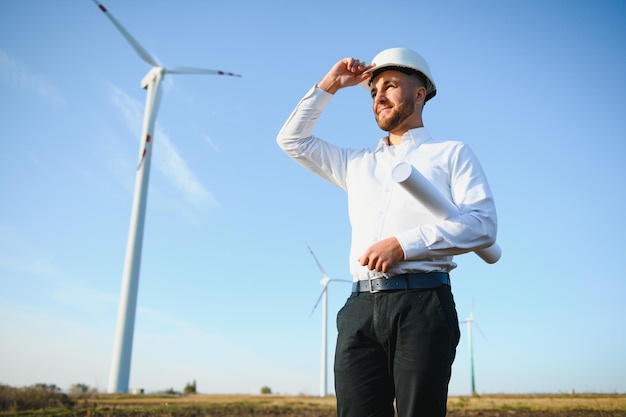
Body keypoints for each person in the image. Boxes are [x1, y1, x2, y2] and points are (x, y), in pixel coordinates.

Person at [276, 47, 497, 417]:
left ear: (420, 93)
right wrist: (331, 84)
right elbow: (292, 141)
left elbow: (482, 224)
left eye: (390, 85)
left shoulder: (451, 153)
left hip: (423, 303)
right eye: (374, 89)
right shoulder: (356, 163)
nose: (378, 96)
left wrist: (404, 245)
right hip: (359, 308)